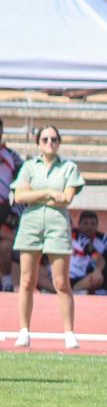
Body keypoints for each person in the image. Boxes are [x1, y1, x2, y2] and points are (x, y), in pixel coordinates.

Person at [11, 126, 84, 351]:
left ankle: (69, 332)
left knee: (61, 282)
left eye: (54, 139)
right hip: (31, 225)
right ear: (38, 143)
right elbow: (19, 196)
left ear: (59, 142)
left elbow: (67, 198)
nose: (49, 142)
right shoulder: (29, 167)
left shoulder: (69, 168)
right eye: (45, 139)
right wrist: (49, 193)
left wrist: (37, 195)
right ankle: (24, 330)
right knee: (26, 281)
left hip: (57, 226)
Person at [0, 117, 24, 292]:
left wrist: (15, 213)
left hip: (4, 209)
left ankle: (7, 283)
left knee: (5, 246)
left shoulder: (12, 157)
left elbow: (26, 187)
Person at [66, 210, 107, 294]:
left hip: (79, 279)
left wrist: (97, 271)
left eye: (92, 224)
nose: (89, 227)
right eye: (85, 223)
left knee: (98, 278)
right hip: (56, 277)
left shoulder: (82, 239)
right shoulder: (49, 240)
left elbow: (100, 259)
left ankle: (69, 290)